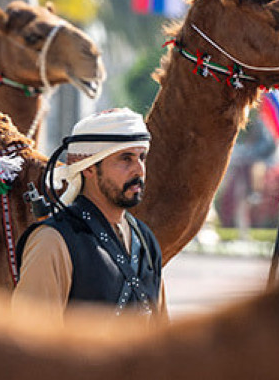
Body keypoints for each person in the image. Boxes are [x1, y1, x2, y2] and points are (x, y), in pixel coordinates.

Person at [12, 108, 166, 321]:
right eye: (125, 159)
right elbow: (28, 343)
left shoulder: (146, 240)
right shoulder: (52, 242)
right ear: (88, 168)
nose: (139, 170)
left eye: (142, 157)